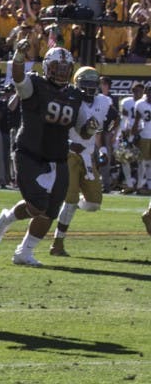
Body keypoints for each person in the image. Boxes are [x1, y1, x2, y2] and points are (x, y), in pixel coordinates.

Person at [0, 44, 96, 267]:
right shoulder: (35, 85)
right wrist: (19, 56)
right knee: (37, 206)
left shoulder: (75, 95)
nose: (61, 72)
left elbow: (83, 127)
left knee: (50, 211)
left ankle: (24, 253)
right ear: (47, 67)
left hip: (57, 158)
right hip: (29, 153)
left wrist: (91, 127)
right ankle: (8, 218)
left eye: (65, 68)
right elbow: (18, 77)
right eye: (57, 67)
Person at [50, 67, 113, 257]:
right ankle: (57, 243)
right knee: (70, 201)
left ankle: (70, 204)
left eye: (93, 84)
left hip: (88, 154)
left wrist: (102, 149)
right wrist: (68, 142)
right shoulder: (68, 98)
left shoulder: (104, 102)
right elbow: (54, 127)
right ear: (76, 84)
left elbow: (104, 126)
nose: (89, 89)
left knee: (94, 203)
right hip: (68, 152)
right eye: (85, 84)